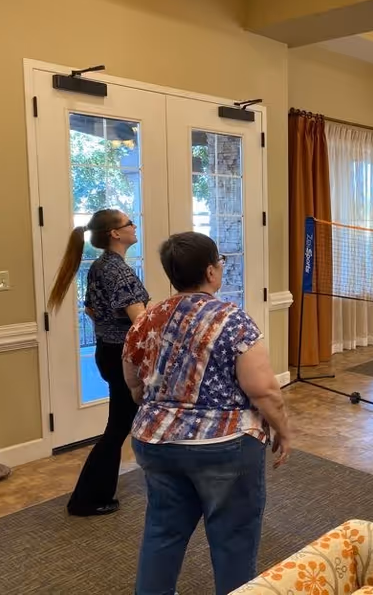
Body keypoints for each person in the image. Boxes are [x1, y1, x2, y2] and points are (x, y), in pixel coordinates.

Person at [122, 231, 292, 595]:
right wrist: (283, 430)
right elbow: (262, 389)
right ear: (212, 272)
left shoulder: (147, 319)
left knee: (163, 530)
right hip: (225, 445)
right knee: (233, 538)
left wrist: (163, 409)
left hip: (155, 441)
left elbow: (134, 382)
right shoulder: (232, 319)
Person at [47, 209, 149, 516]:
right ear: (115, 234)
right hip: (121, 356)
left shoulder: (101, 266)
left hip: (107, 350)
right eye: (129, 223)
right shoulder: (118, 271)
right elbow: (141, 323)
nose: (134, 226)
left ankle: (93, 494)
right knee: (118, 428)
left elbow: (91, 310)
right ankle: (86, 499)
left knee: (119, 425)